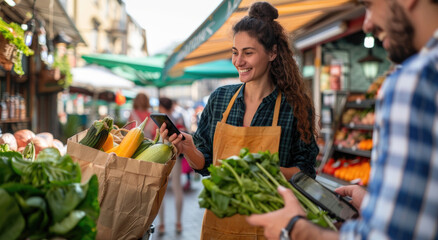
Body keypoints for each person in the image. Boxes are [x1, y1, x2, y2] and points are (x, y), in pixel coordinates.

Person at [246, 0, 438, 239]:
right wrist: (376, 207)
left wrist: (296, 228)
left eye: (368, 4)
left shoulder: (414, 81)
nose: (367, 23)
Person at [159, 2, 319, 239]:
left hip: (272, 227)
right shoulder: (220, 99)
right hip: (221, 226)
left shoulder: (294, 106)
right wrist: (188, 147)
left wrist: (262, 170)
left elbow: (305, 172)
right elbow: (205, 164)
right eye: (235, 52)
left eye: (248, 53)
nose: (238, 61)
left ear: (272, 53)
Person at [156, 97, 186, 235]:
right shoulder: (178, 118)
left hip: (160, 158)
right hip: (176, 157)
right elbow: (185, 136)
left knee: (160, 190)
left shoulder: (159, 120)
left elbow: (151, 139)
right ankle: (178, 223)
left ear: (162, 107)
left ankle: (161, 225)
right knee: (177, 188)